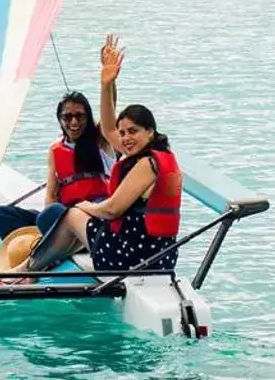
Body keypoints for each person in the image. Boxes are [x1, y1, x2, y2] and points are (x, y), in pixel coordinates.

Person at [0, 34, 124, 266]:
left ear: (88, 116)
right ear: (59, 120)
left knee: (54, 215)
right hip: (61, 215)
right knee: (3, 214)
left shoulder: (101, 140)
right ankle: (51, 243)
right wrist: (47, 222)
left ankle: (53, 248)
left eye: (80, 116)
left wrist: (109, 82)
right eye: (68, 117)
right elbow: (52, 194)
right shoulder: (55, 150)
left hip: (92, 215)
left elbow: (110, 113)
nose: (74, 122)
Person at [15, 102, 183, 275]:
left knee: (72, 215)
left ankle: (27, 270)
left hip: (130, 258)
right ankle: (41, 263)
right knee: (71, 216)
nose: (126, 138)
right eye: (123, 133)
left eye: (133, 131)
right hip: (161, 257)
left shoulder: (147, 164)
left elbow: (112, 210)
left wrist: (85, 206)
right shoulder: (165, 158)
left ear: (150, 131)